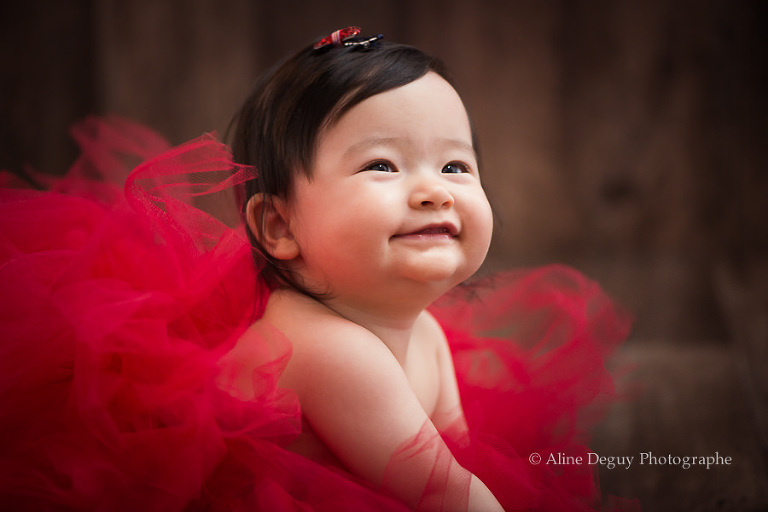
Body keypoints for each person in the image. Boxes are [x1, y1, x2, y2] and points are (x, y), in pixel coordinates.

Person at [0, 28, 638, 511]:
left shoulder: (428, 335)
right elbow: (450, 496)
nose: (435, 192)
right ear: (279, 227)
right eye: (382, 166)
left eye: (456, 167)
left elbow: (462, 460)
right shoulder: (327, 349)